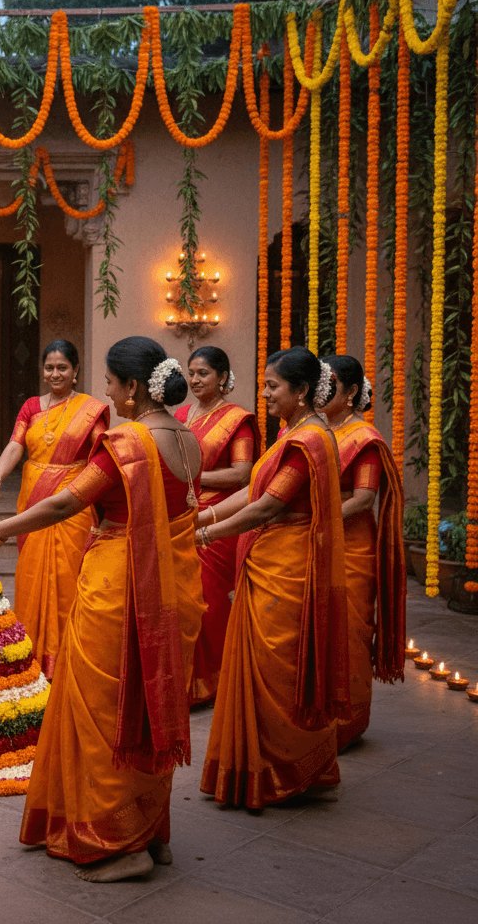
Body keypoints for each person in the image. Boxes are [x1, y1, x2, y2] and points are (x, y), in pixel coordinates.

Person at [0, 337, 196, 882]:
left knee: (106, 709)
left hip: (120, 584)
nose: (109, 395)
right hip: (171, 584)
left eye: (113, 384)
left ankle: (119, 842)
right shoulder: (188, 438)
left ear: (135, 388)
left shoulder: (128, 442)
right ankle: (153, 833)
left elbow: (69, 501)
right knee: (148, 703)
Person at [198, 346, 349, 810]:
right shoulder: (291, 433)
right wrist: (201, 517)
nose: (263, 394)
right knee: (262, 667)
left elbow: (268, 505)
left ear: (301, 391)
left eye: (273, 386)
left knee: (277, 670)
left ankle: (283, 771)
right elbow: (251, 489)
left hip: (287, 568)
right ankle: (258, 766)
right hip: (269, 561)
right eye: (264, 385)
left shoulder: (310, 441)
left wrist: (207, 532)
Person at [0, 340, 109, 678]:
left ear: (76, 371)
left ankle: (69, 656)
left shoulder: (90, 410)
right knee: (30, 575)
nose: (55, 373)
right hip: (33, 498)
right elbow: (15, 445)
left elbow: (101, 454)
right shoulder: (31, 407)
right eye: (49, 367)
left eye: (62, 367)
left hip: (72, 502)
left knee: (69, 577)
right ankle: (31, 653)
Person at [319, 355, 406, 750]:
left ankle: (346, 722)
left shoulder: (364, 438)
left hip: (350, 545)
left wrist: (315, 519)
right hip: (316, 541)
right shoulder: (316, 430)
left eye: (330, 384)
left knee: (349, 631)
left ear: (351, 392)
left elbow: (363, 498)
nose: (321, 390)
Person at [174, 346, 260, 706]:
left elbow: (242, 473)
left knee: (209, 600)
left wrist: (193, 475)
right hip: (180, 515)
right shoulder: (180, 413)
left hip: (218, 517)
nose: (195, 379)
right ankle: (183, 680)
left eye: (203, 373)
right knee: (180, 600)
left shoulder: (237, 419)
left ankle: (212, 682)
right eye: (191, 373)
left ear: (223, 378)